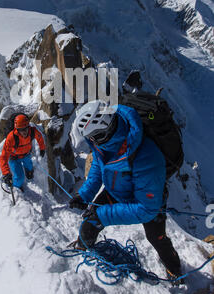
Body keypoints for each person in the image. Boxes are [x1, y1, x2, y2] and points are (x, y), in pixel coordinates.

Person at [70, 100, 182, 281]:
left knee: (157, 239)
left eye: (93, 138)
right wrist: (84, 195)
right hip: (116, 191)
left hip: (148, 204)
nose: (91, 142)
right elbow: (100, 165)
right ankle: (81, 250)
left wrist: (103, 214)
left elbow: (147, 210)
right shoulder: (104, 144)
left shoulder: (146, 156)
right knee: (88, 225)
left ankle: (175, 271)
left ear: (103, 134)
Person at [0, 114, 45, 190]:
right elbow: (4, 156)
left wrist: (42, 148)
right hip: (14, 158)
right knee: (19, 178)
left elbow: (39, 137)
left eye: (25, 128)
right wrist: (6, 173)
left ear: (28, 127)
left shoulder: (32, 132)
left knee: (30, 167)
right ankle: (16, 188)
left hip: (26, 155)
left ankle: (28, 172)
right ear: (17, 129)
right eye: (21, 130)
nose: (24, 132)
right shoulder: (11, 138)